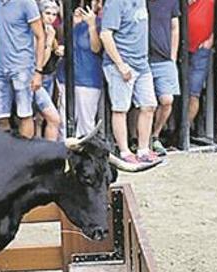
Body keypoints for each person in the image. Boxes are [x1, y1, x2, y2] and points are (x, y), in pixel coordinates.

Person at [100, 0, 161, 166]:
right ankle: (125, 152)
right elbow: (105, 35)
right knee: (120, 109)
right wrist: (120, 64)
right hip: (121, 64)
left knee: (149, 105)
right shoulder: (115, 3)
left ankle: (143, 150)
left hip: (141, 63)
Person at [0, 0, 47, 138]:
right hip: (1, 66)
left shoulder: (26, 3)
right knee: (2, 116)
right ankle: (6, 155)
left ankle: (26, 156)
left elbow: (41, 36)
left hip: (22, 66)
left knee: (25, 114)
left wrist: (38, 71)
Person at [57, 0, 103, 139]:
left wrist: (91, 25)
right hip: (66, 77)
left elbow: (97, 48)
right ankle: (64, 155)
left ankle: (85, 157)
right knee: (64, 122)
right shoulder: (75, 20)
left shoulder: (101, 22)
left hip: (88, 78)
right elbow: (61, 41)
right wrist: (71, 23)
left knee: (86, 124)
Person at [147, 0, 180, 155]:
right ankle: (136, 139)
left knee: (167, 100)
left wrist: (172, 56)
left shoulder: (171, 2)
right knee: (140, 103)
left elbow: (175, 27)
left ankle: (154, 136)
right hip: (142, 58)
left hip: (164, 59)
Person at [34, 1, 62, 141]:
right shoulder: (37, 31)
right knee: (39, 116)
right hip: (38, 76)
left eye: (54, 14)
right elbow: (41, 62)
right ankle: (39, 144)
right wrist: (50, 41)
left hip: (49, 75)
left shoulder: (50, 29)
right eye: (48, 13)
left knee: (42, 116)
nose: (51, 17)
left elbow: (55, 49)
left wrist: (57, 49)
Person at [186, 0, 214, 127]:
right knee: (175, 93)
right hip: (179, 48)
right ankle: (172, 129)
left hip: (201, 49)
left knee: (194, 92)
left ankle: (184, 129)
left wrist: (212, 38)